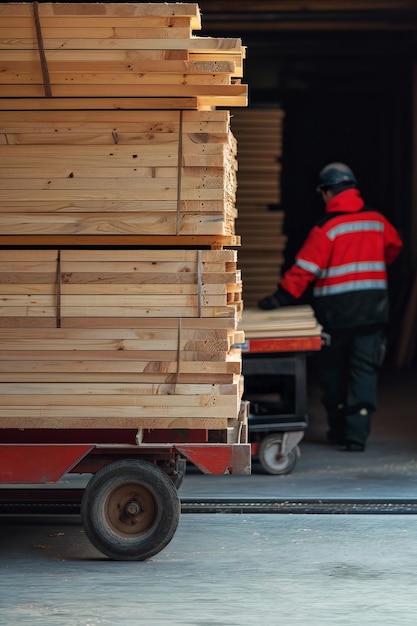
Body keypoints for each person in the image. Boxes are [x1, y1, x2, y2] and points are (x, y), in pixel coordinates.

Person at [258, 162, 403, 451]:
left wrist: (279, 299)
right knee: (364, 373)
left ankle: (337, 431)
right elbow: (394, 247)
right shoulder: (377, 222)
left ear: (327, 192)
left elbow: (304, 271)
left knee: (333, 375)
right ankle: (356, 437)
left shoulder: (327, 229)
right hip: (373, 313)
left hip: (336, 317)